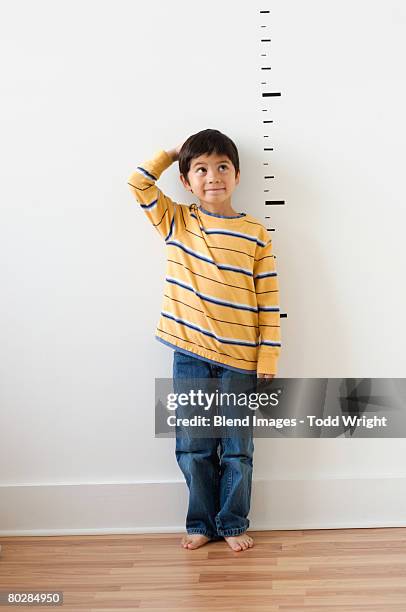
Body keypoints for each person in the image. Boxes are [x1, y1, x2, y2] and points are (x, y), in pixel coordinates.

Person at [127, 128, 281, 551]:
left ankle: (232, 523)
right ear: (186, 180)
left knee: (237, 450)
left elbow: (268, 296)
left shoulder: (255, 232)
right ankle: (200, 522)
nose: (213, 176)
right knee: (193, 447)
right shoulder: (177, 220)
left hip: (240, 358)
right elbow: (138, 183)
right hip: (189, 354)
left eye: (222, 167)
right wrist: (173, 152)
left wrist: (268, 355)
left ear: (236, 174)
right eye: (201, 169)